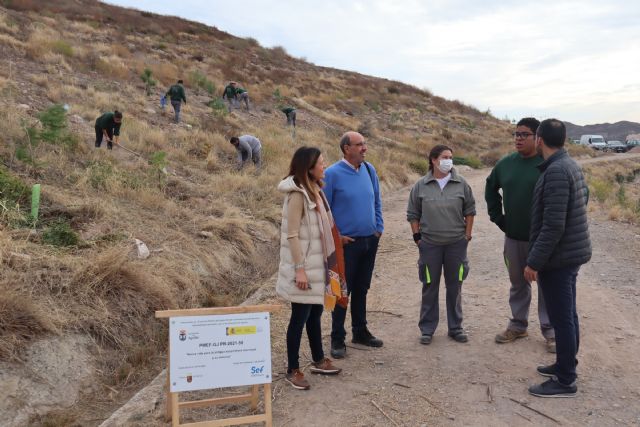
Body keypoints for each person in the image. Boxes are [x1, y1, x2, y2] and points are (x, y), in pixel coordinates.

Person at [525, 119, 591, 398]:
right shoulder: (568, 164)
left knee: (561, 318)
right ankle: (566, 363)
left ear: (539, 140)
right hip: (568, 255)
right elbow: (582, 199)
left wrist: (534, 262)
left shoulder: (556, 171)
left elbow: (553, 226)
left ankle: (565, 380)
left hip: (559, 258)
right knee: (567, 315)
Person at [485, 118, 556, 353]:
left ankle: (551, 330)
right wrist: (498, 217)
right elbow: (490, 188)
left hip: (544, 240)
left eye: (524, 134)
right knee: (517, 284)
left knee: (547, 286)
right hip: (514, 237)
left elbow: (577, 193)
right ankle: (518, 325)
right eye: (516, 134)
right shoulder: (505, 164)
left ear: (538, 138)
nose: (518, 138)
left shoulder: (549, 164)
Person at [276, 146, 343, 390]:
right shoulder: (297, 195)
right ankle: (292, 369)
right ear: (309, 167)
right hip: (304, 268)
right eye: (321, 163)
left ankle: (318, 359)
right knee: (299, 318)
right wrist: (299, 270)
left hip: (318, 265)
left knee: (315, 314)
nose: (325, 166)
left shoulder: (315, 190)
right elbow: (292, 235)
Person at [323, 131, 384, 359]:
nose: (364, 148)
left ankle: (360, 332)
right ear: (346, 148)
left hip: (370, 241)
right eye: (359, 145)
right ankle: (337, 338)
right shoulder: (331, 174)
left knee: (361, 288)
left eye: (364, 144)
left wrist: (378, 228)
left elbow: (376, 200)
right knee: (342, 292)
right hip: (346, 246)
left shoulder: (369, 170)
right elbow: (324, 211)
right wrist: (337, 238)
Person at [407, 145, 475, 345]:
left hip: (456, 244)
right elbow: (413, 214)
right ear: (434, 160)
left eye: (451, 157)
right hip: (430, 245)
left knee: (455, 287)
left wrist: (467, 236)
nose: (449, 161)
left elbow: (470, 210)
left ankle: (456, 328)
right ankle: (427, 329)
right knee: (429, 286)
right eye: (445, 157)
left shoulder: (462, 183)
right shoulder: (420, 185)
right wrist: (417, 238)